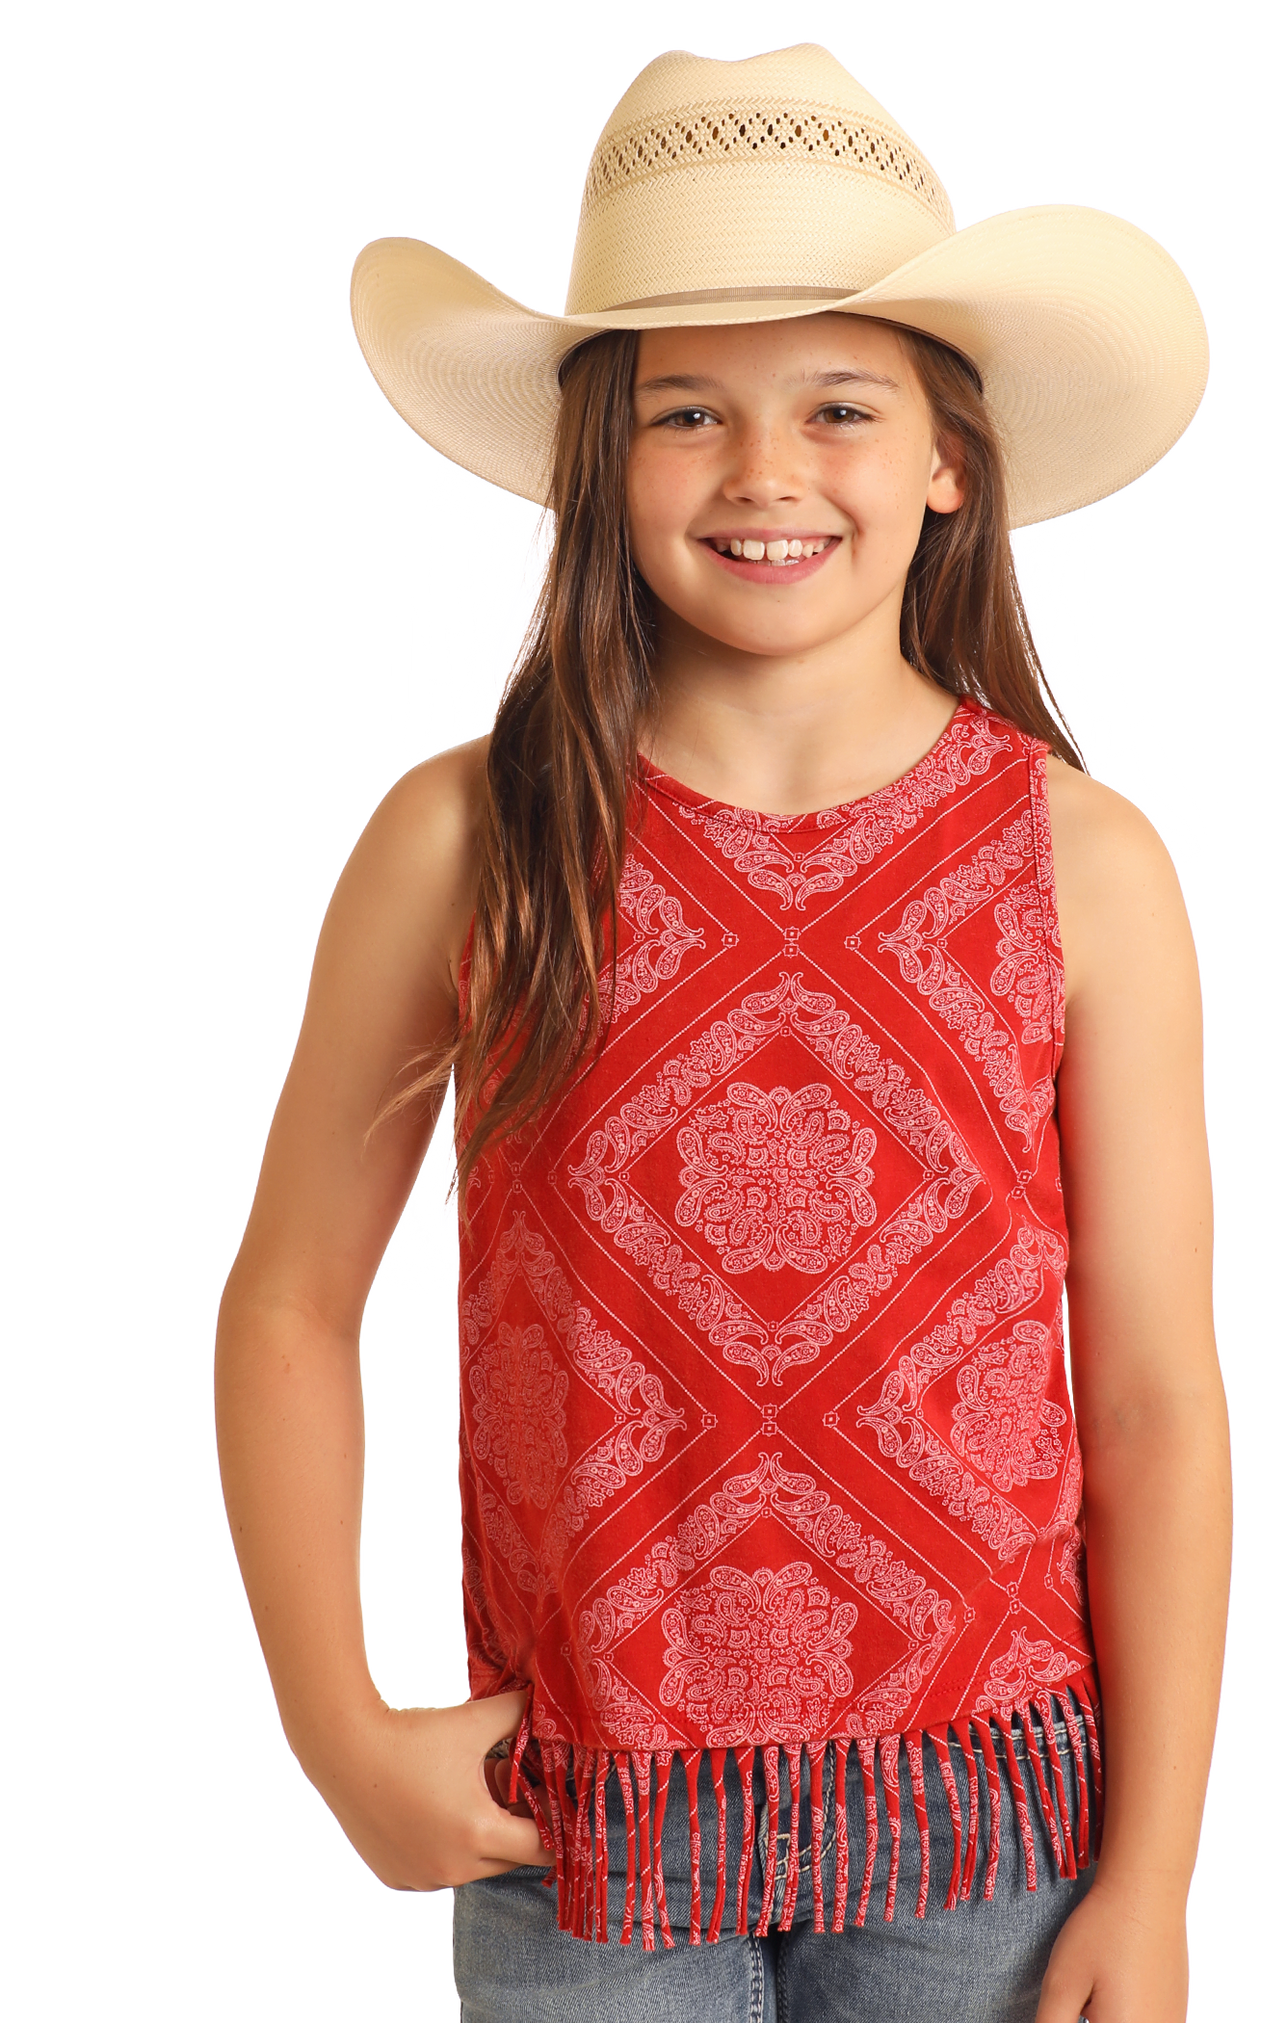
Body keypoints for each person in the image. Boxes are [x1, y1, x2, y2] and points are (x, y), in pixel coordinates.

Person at [213, 40, 1232, 2023]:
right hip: (577, 1837)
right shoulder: (465, 840)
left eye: (836, 408)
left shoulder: (1080, 867)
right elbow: (282, 1307)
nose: (765, 476)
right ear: (604, 456)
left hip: (992, 1839)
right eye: (688, 414)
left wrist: (1158, 1876)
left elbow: (1151, 1400)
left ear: (947, 455)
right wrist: (340, 1733)